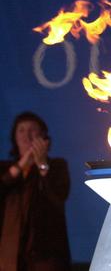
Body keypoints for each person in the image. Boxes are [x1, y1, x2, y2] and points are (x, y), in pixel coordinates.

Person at [0, 111, 71, 271]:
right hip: (9, 258)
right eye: (21, 130)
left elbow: (59, 197)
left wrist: (42, 165)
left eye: (33, 130)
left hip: (46, 259)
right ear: (14, 137)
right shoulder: (5, 169)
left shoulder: (57, 166)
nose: (27, 135)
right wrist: (22, 164)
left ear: (43, 136)